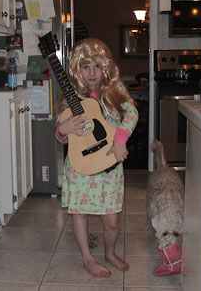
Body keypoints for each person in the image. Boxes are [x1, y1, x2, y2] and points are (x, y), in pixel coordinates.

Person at [55, 38, 139, 278]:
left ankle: (110, 253)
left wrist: (120, 139)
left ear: (105, 68)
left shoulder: (115, 89)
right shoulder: (69, 95)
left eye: (96, 66)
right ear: (76, 69)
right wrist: (64, 129)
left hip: (108, 165)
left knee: (111, 221)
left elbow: (131, 112)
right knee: (79, 214)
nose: (91, 73)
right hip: (80, 167)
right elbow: (61, 136)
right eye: (85, 66)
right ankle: (87, 258)